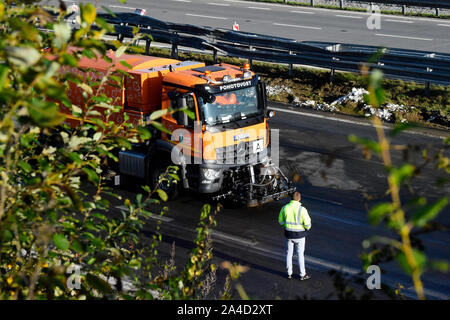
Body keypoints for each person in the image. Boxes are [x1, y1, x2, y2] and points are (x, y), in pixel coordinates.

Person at [278, 191, 311, 281]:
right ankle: (302, 274)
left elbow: (280, 221)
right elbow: (308, 225)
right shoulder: (302, 209)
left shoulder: (285, 208)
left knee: (289, 254)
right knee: (300, 255)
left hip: (289, 235)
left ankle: (289, 274)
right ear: (299, 199)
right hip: (300, 236)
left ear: (291, 198)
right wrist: (305, 228)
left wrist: (287, 225)